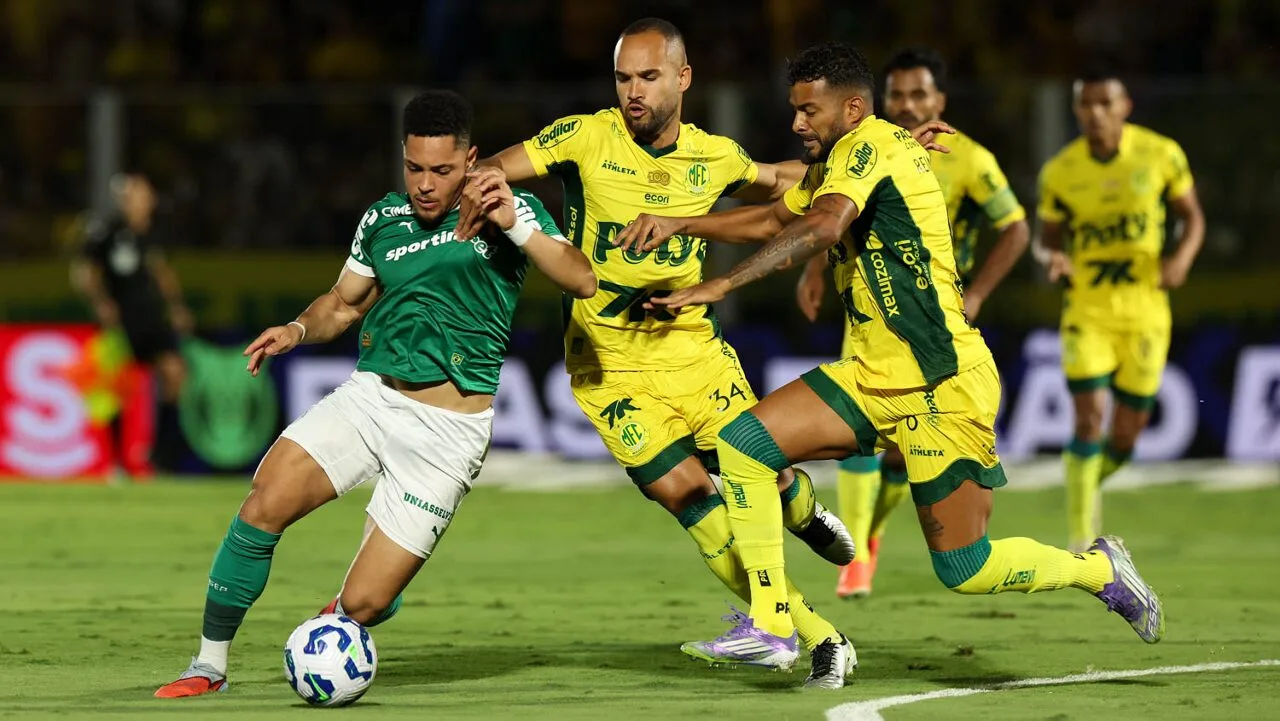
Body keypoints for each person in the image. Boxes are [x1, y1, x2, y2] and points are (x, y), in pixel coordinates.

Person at [627, 42, 1164, 677]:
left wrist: (721, 284)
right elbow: (774, 218)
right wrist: (681, 223)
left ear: (852, 109)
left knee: (965, 567)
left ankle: (1098, 570)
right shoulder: (846, 155)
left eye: (808, 111)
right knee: (744, 446)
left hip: (941, 380)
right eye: (794, 109)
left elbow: (824, 227)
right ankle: (772, 625)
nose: (796, 122)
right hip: (872, 374)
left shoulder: (871, 146)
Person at [455, 17, 861, 688]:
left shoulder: (714, 156)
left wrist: (863, 156)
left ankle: (803, 508)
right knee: (693, 502)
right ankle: (819, 637)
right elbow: (497, 166)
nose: (633, 92)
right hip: (607, 367)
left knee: (765, 475)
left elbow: (780, 182)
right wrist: (481, 186)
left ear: (683, 77)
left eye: (648, 77)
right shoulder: (586, 136)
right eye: (623, 78)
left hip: (694, 356)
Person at [154, 90, 596, 698]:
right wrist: (297, 329)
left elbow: (582, 278)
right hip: (371, 399)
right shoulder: (383, 219)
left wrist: (515, 222)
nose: (425, 184)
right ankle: (208, 666)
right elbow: (343, 303)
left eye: (441, 170)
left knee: (364, 602)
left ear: (470, 161)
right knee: (264, 500)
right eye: (414, 168)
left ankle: (357, 607)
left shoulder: (509, 209)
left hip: (447, 434)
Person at [793, 46, 1030, 599]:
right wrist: (812, 270)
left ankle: (870, 534)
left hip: (932, 321)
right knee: (856, 427)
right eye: (897, 94)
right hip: (869, 314)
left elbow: (1016, 228)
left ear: (939, 100)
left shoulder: (969, 159)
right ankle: (855, 558)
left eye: (918, 94)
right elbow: (829, 211)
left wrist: (978, 293)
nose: (906, 104)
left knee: (903, 453)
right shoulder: (858, 149)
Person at [1036, 63, 1204, 552]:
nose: (1096, 113)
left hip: (1146, 310)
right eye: (1086, 104)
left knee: (1126, 440)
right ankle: (1080, 538)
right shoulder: (1060, 172)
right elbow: (1047, 240)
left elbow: (1193, 219)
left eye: (1105, 103)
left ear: (1125, 106)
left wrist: (1181, 259)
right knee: (1088, 420)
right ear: (1076, 110)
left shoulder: (1161, 154)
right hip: (1087, 310)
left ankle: (1085, 480)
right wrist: (1054, 258)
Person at [71, 172, 194, 472]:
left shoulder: (156, 232)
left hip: (153, 317)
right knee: (116, 387)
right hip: (120, 322)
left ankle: (161, 456)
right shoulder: (107, 231)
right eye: (131, 196)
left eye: (142, 195)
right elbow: (84, 272)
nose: (137, 201)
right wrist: (100, 303)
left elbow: (162, 271)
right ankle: (117, 461)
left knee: (174, 374)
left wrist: (176, 306)